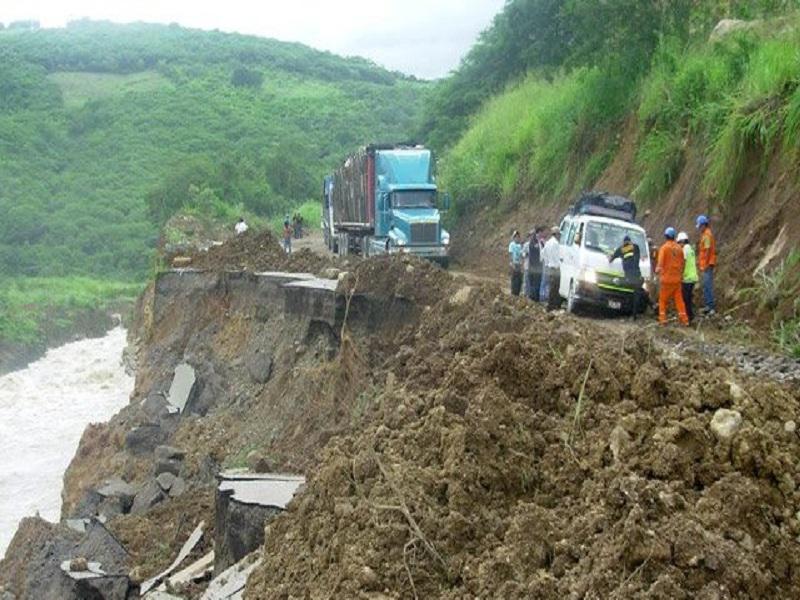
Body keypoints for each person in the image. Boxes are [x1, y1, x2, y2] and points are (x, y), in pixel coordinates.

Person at [656, 227, 689, 326]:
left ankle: (663, 319)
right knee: (679, 300)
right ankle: (685, 319)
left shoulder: (664, 248)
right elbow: (683, 263)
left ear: (665, 236)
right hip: (677, 280)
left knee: (662, 300)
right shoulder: (679, 249)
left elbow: (660, 264)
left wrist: (657, 271)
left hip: (666, 280)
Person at [609, 234, 645, 319]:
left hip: (628, 277)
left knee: (620, 286)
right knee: (637, 294)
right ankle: (634, 315)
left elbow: (611, 259)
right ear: (630, 242)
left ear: (623, 242)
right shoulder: (636, 247)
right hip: (637, 275)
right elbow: (638, 257)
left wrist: (610, 257)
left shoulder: (620, 249)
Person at [696, 215, 717, 315]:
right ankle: (708, 306)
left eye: (700, 226)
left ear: (704, 225)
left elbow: (708, 250)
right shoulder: (705, 234)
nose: (699, 228)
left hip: (707, 264)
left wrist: (706, 265)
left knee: (708, 285)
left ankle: (711, 307)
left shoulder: (707, 235)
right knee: (706, 285)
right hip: (705, 264)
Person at [677, 231, 698, 322]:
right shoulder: (691, 249)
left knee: (686, 299)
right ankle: (690, 315)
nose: (679, 245)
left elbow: (684, 262)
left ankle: (688, 317)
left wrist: (680, 274)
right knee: (688, 297)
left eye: (679, 243)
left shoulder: (685, 249)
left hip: (687, 278)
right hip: (693, 277)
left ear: (682, 241)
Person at [541, 226, 562, 310]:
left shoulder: (548, 242)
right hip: (555, 268)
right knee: (555, 288)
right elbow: (558, 256)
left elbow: (543, 254)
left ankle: (551, 306)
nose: (560, 236)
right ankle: (551, 306)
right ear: (556, 234)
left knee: (552, 287)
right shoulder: (555, 244)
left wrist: (547, 262)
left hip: (549, 267)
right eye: (559, 234)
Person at [523, 226, 545, 301]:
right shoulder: (533, 242)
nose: (542, 234)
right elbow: (533, 254)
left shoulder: (541, 242)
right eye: (541, 233)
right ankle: (532, 298)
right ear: (538, 233)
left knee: (538, 284)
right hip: (533, 267)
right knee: (533, 284)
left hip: (540, 267)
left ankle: (536, 298)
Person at [508, 230, 524, 296]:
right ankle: (513, 292)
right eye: (516, 237)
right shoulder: (512, 245)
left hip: (519, 264)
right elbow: (510, 254)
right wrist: (512, 263)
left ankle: (517, 292)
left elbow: (521, 255)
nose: (517, 238)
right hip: (514, 263)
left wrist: (522, 264)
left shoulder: (520, 246)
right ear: (514, 238)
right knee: (514, 278)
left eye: (518, 237)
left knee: (519, 279)